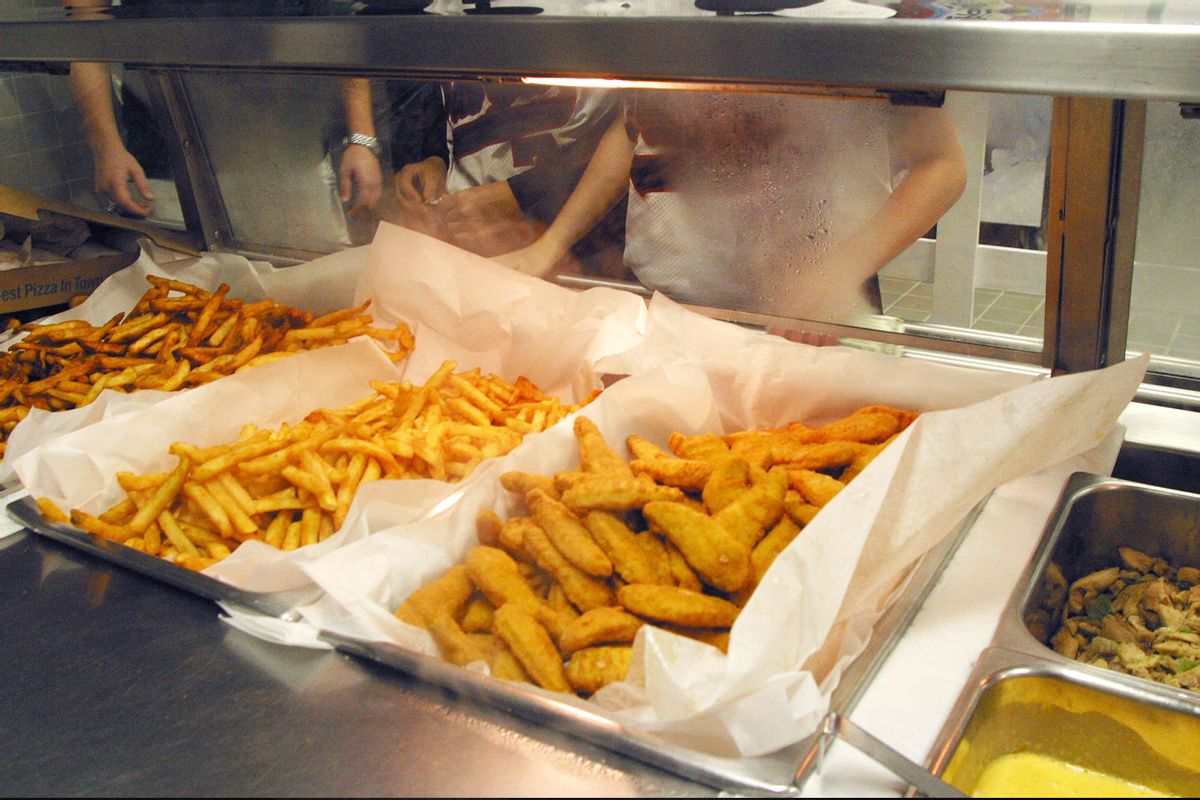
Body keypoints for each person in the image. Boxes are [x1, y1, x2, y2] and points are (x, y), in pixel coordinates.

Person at [498, 90, 967, 325]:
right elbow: (629, 130)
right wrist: (551, 244)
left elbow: (941, 166)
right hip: (667, 306)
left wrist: (831, 277)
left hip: (811, 320)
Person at [393, 81, 625, 276]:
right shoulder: (449, 34)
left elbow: (626, 131)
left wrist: (518, 193)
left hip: (582, 248)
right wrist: (434, 159)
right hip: (466, 243)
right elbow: (437, 96)